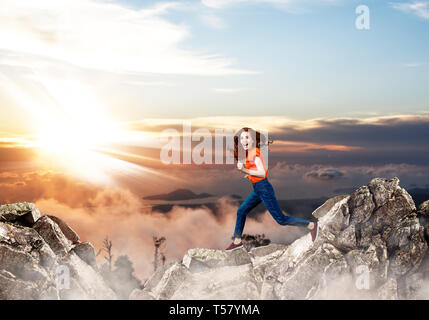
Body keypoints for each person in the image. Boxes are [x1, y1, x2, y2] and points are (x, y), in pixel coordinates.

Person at [225, 127, 319, 251]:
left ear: (253, 140)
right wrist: (250, 174)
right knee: (241, 211)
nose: (243, 140)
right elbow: (257, 170)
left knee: (281, 219)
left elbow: (262, 173)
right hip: (258, 189)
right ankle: (237, 241)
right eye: (242, 138)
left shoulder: (255, 152)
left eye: (247, 137)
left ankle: (311, 225)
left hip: (264, 189)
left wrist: (245, 169)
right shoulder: (251, 152)